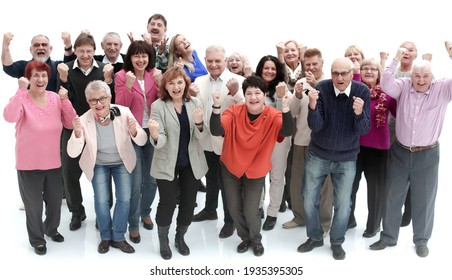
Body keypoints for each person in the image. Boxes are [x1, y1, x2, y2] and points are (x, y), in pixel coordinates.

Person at [369, 48, 452, 258]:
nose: (421, 80)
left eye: (425, 76)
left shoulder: (442, 88)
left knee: (424, 199)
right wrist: (395, 58)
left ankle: (421, 240)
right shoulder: (404, 85)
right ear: (411, 76)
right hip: (400, 151)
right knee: (392, 196)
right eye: (417, 75)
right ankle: (388, 236)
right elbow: (386, 84)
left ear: (432, 77)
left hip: (427, 154)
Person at [210, 75, 293, 256]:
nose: (253, 97)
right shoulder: (234, 111)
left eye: (257, 93)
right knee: (233, 206)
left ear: (264, 95)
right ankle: (244, 237)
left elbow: (287, 131)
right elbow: (216, 130)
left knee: (251, 209)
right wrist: (216, 106)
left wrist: (285, 108)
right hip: (231, 166)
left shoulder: (273, 115)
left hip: (255, 170)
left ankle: (255, 239)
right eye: (249, 93)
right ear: (244, 95)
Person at [297, 57, 370, 260]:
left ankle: (337, 241)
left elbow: (364, 129)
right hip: (318, 154)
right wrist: (312, 106)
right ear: (331, 73)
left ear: (351, 73)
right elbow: (316, 126)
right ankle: (315, 237)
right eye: (335, 73)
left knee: (343, 203)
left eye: (344, 73)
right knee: (309, 198)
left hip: (347, 158)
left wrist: (358, 113)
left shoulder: (362, 91)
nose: (339, 77)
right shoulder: (322, 88)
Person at [3, 60, 77, 255]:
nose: (40, 79)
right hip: (28, 164)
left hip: (53, 162)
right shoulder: (21, 98)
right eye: (35, 75)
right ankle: (37, 240)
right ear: (28, 78)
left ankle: (51, 230)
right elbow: (9, 117)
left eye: (44, 75)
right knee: (33, 206)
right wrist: (20, 91)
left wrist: (65, 100)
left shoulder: (55, 97)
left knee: (54, 203)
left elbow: (70, 123)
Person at [67, 80, 146, 254]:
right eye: (93, 100)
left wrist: (134, 131)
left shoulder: (123, 112)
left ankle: (118, 236)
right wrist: (78, 134)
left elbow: (142, 139)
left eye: (102, 98)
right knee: (101, 201)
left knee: (124, 199)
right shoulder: (84, 119)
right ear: (88, 102)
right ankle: (105, 237)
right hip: (99, 163)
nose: (99, 104)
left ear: (109, 98)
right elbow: (73, 152)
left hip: (121, 161)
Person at [148, 67, 208, 260]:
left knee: (189, 203)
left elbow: (201, 136)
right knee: (167, 203)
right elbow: (161, 141)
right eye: (171, 83)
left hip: (191, 162)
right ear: (165, 86)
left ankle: (180, 237)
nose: (176, 86)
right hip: (167, 163)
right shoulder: (158, 106)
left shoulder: (196, 102)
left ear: (186, 84)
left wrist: (199, 123)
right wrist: (155, 134)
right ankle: (163, 239)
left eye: (180, 82)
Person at [57, 32, 115, 231]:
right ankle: (76, 212)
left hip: (99, 129)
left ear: (94, 51)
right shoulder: (67, 71)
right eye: (80, 51)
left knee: (102, 172)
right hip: (73, 128)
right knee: (69, 173)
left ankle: (103, 212)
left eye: (88, 51)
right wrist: (63, 80)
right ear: (74, 51)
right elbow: (61, 99)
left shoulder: (102, 70)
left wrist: (108, 80)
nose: (84, 55)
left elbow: (110, 100)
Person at [191, 45, 245, 239]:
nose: (213, 64)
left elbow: (249, 110)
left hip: (228, 142)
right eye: (209, 61)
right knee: (211, 177)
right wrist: (189, 96)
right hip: (205, 140)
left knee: (227, 184)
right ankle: (210, 210)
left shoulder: (239, 81)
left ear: (225, 61)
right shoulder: (198, 81)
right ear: (205, 61)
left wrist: (237, 92)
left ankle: (230, 220)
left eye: (217, 61)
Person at [282, 48, 333, 234]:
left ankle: (325, 222)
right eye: (308, 64)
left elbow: (330, 111)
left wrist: (317, 85)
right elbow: (293, 112)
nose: (311, 67)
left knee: (324, 186)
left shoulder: (330, 83)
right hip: (301, 141)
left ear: (322, 63)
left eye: (314, 64)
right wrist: (296, 95)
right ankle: (299, 216)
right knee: (296, 183)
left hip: (323, 144)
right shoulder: (301, 83)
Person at [115, 40, 160, 243]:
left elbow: (162, 101)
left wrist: (160, 83)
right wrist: (129, 86)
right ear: (130, 58)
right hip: (132, 133)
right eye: (136, 56)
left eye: (144, 56)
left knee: (151, 178)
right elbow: (119, 107)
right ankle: (133, 224)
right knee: (135, 180)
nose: (141, 60)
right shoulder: (121, 76)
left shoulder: (155, 75)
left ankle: (145, 211)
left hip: (152, 131)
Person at [349, 58, 397, 238]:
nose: (369, 71)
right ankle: (348, 220)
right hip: (355, 147)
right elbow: (352, 82)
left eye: (373, 69)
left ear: (379, 73)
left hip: (378, 149)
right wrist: (355, 71)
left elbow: (400, 113)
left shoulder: (387, 93)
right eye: (365, 68)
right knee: (349, 187)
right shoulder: (356, 90)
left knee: (376, 190)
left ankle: (373, 225)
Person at [380, 41, 418, 227]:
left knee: (410, 175)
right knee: (393, 174)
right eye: (403, 49)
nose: (406, 52)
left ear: (416, 54)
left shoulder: (419, 74)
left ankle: (408, 211)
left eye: (410, 49)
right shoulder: (391, 72)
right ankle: (391, 210)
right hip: (390, 130)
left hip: (410, 131)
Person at [254, 55, 292, 231]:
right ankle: (258, 206)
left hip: (278, 139)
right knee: (257, 175)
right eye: (266, 68)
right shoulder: (253, 88)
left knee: (277, 176)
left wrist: (279, 96)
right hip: (257, 139)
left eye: (273, 69)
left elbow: (281, 117)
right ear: (260, 69)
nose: (269, 71)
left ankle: (273, 212)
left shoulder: (284, 90)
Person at [2, 32, 74, 92]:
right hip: (30, 108)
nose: (40, 47)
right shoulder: (24, 66)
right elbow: (8, 67)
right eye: (36, 45)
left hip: (54, 108)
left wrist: (68, 46)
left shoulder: (57, 66)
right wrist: (5, 46)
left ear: (50, 49)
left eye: (44, 44)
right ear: (31, 49)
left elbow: (71, 64)